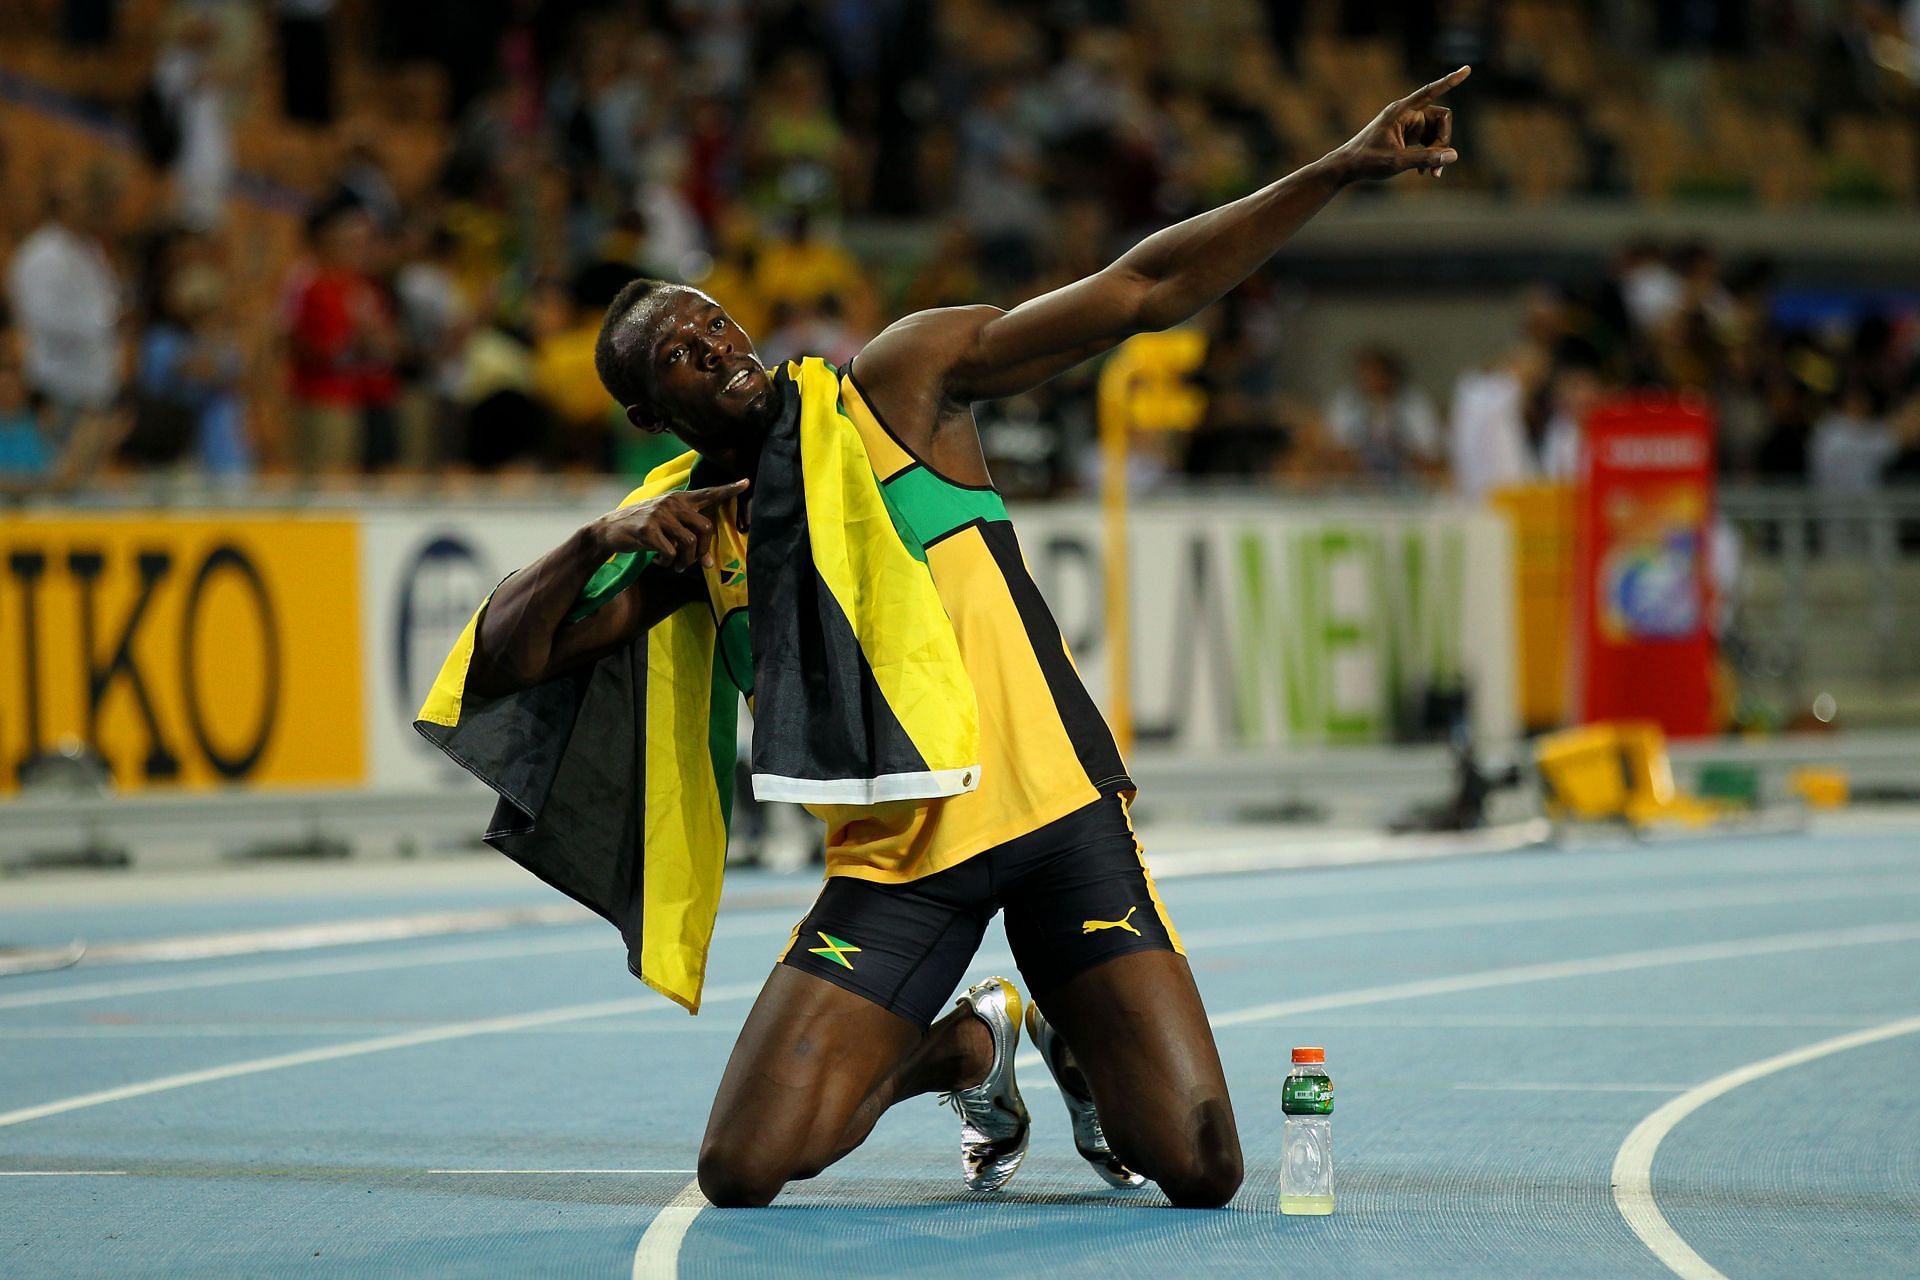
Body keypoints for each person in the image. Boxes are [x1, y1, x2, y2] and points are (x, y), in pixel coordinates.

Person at [462, 67, 1471, 1210]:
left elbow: (1140, 288)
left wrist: (1336, 165)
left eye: (716, 319)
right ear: (651, 413)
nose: (719, 344)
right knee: (741, 1167)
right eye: (684, 354)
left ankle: (1077, 1041)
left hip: (1054, 819)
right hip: (900, 865)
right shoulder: (694, 535)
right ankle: (969, 1047)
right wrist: (606, 528)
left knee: (1197, 1162)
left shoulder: (896, 386)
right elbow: (507, 660)